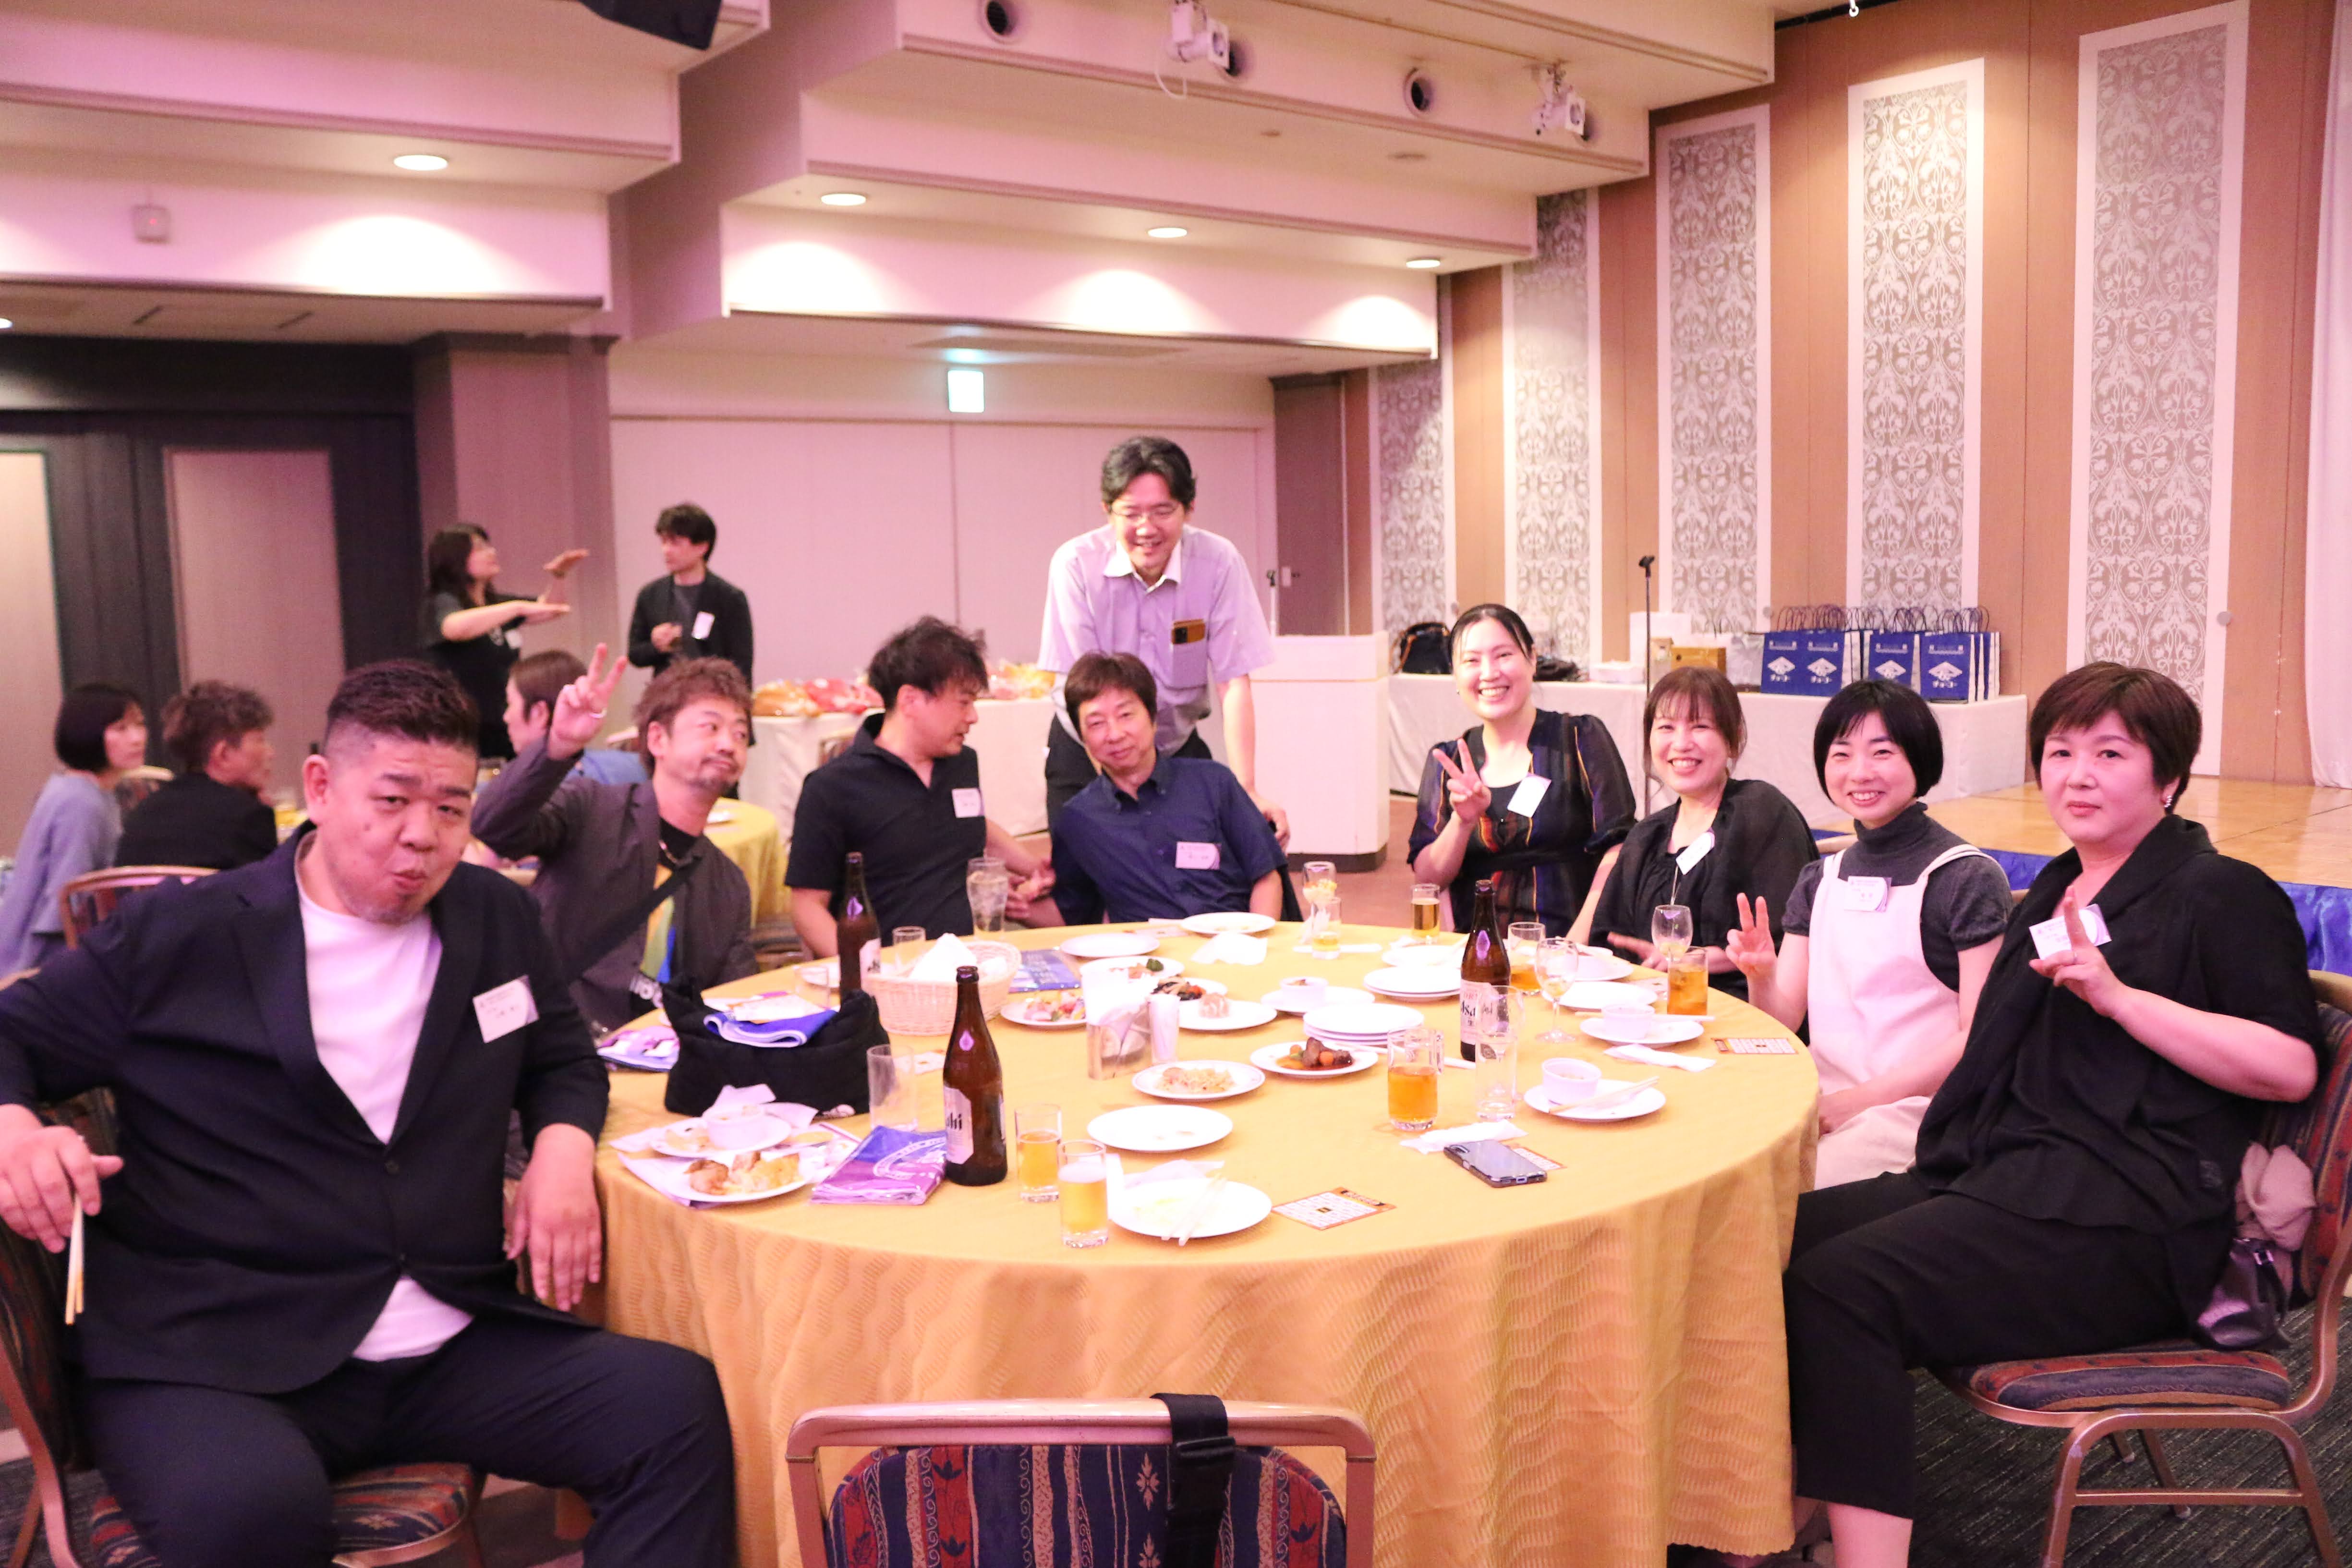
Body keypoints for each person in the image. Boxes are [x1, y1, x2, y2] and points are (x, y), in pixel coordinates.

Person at [0, 660, 734, 1568]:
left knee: (670, 1409)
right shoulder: (187, 934)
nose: (421, 836)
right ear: (319, 787)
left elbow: (558, 1058)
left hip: (446, 1336)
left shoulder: (492, 919)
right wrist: (16, 1128)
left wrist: (558, 1148)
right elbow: (11, 1034)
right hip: (218, 1355)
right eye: (391, 800)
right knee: (250, 1514)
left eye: (451, 809)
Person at [1760, 663, 2320, 1568]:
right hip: (2009, 1177)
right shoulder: (2060, 886)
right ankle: (1780, 1515)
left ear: (2169, 777)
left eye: (2110, 754)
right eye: (2059, 752)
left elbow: (2289, 1067)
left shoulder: (2219, 891)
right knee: (1763, 1239)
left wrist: (2120, 998)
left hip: (2130, 1218)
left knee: (1840, 1289)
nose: (2077, 775)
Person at [1724, 681, 2013, 1188]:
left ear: (1920, 759)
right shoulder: (1819, 878)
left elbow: (1979, 1036)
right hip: (1817, 1097)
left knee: (1773, 1195)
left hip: (1921, 1112)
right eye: (1841, 754)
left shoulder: (1965, 877)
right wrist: (1760, 976)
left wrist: (1850, 1104)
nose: (1859, 772)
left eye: (1882, 752)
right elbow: (1784, 1019)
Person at [473, 650, 756, 1032]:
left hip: (654, 1056)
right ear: (658, 739)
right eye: (711, 727)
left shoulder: (728, 886)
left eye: (740, 734)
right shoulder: (592, 808)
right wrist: (558, 744)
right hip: (552, 1038)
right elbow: (493, 826)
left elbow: (734, 1004)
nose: (728, 744)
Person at [1037, 436, 1288, 845]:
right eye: (1130, 513)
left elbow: (1234, 682)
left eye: (1163, 511)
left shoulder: (1218, 562)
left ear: (1189, 508)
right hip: (1089, 745)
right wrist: (1119, 794)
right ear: (1107, 511)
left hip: (1172, 744)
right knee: (1094, 870)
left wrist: (1246, 789)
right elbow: (1085, 691)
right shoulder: (1076, 565)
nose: (1146, 529)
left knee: (1208, 858)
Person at [787, 618, 1051, 956]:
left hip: (970, 962)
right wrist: (866, 971)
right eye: (964, 702)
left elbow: (969, 825)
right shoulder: (833, 787)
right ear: (911, 701)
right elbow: (807, 908)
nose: (973, 717)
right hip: (893, 968)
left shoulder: (962, 763)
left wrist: (1035, 867)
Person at [1587, 665, 1816, 1001]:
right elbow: (1609, 941)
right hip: (1648, 1009)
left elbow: (1791, 939)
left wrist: (1690, 960)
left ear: (1732, 739)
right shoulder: (1646, 836)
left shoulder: (1761, 810)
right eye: (1666, 727)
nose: (1681, 744)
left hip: (1740, 1007)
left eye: (1700, 726)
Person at [1408, 604, 1636, 939]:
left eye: (1503, 655)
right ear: (1455, 676)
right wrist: (1462, 822)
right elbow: (1428, 880)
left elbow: (1618, 846)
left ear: (1532, 658)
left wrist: (1575, 943)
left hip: (1569, 947)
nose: (1489, 673)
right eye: (1472, 661)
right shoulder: (1449, 761)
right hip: (1479, 951)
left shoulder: (1578, 739)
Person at [1050, 652, 1286, 924]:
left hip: (1232, 938)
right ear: (1082, 737)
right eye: (1096, 723)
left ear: (1153, 719)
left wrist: (1250, 942)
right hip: (1145, 949)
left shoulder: (1213, 783)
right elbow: (1073, 913)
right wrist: (1013, 901)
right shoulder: (1079, 820)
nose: (1114, 734)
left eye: (1126, 715)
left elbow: (1266, 877)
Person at [0, 685, 145, 973]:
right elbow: (67, 902)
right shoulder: (81, 803)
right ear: (87, 733)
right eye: (121, 728)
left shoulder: (78, 788)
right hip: (32, 963)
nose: (137, 738)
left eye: (139, 725)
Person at [418, 524, 585, 761]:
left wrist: (559, 575)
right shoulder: (442, 601)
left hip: (503, 719)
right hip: (464, 724)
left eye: (489, 546)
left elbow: (552, 609)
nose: (492, 552)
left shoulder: (496, 605)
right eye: (480, 548)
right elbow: (453, 628)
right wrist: (516, 608)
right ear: (456, 557)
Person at [116, 680, 279, 872]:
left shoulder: (143, 812)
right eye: (260, 741)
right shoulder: (249, 817)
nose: (271, 753)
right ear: (224, 755)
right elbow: (270, 889)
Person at [626, 503, 754, 683]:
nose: (666, 550)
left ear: (702, 547)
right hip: (667, 694)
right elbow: (635, 655)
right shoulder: (651, 595)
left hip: (713, 692)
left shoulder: (730, 598)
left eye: (675, 542)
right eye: (664, 542)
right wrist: (657, 647)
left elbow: (742, 665)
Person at [505, 650, 648, 787]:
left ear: (539, 713)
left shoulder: (519, 787)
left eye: (510, 704)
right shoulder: (638, 765)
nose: (506, 717)